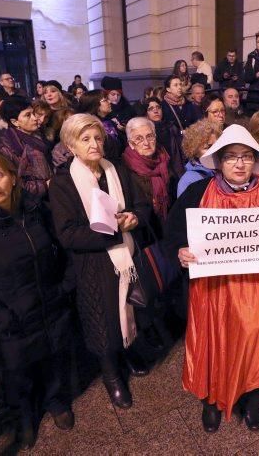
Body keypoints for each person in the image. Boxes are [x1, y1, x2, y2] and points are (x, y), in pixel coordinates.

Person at [167, 124, 259, 432]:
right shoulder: (197, 192)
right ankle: (213, 400)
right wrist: (180, 250)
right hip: (216, 289)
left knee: (258, 341)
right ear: (219, 162)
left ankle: (252, 398)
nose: (239, 164)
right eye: (231, 157)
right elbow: (173, 232)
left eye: (246, 157)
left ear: (255, 160)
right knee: (216, 342)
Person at [0, 149, 74, 448]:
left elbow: (61, 248)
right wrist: (1, 319)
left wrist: (64, 288)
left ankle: (57, 401)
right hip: (13, 318)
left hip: (50, 304)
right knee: (19, 375)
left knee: (54, 359)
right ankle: (24, 416)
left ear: (12, 177)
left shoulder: (36, 210)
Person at [49, 114, 152, 409]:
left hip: (126, 257)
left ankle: (129, 352)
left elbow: (141, 205)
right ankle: (111, 376)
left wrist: (135, 217)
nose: (94, 145)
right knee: (102, 322)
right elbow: (68, 235)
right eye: (85, 140)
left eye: (97, 138)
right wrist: (113, 231)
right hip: (93, 265)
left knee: (130, 310)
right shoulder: (63, 184)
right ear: (71, 145)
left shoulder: (115, 170)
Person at [0, 99, 53, 199]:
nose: (35, 118)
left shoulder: (39, 134)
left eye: (33, 113)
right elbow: (14, 183)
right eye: (28, 115)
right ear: (15, 122)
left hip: (50, 195)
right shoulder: (9, 146)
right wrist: (45, 185)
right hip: (33, 202)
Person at [177, 119, 222, 197]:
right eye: (207, 147)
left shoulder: (225, 170)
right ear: (195, 151)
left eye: (216, 145)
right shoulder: (189, 180)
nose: (214, 150)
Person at [143, 97, 185, 179]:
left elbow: (182, 149)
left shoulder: (171, 127)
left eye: (158, 107)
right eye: (151, 109)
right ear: (146, 113)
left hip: (178, 171)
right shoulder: (146, 132)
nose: (156, 111)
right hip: (160, 174)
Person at [79, 89, 124, 161]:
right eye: (105, 100)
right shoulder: (90, 127)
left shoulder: (110, 121)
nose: (109, 102)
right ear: (95, 105)